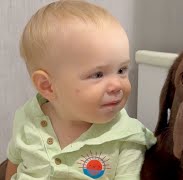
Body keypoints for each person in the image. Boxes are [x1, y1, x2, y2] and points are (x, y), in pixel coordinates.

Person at [5, 0, 156, 179]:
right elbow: (13, 164)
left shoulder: (128, 138)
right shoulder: (27, 118)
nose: (117, 85)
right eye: (98, 74)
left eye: (122, 70)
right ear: (47, 86)